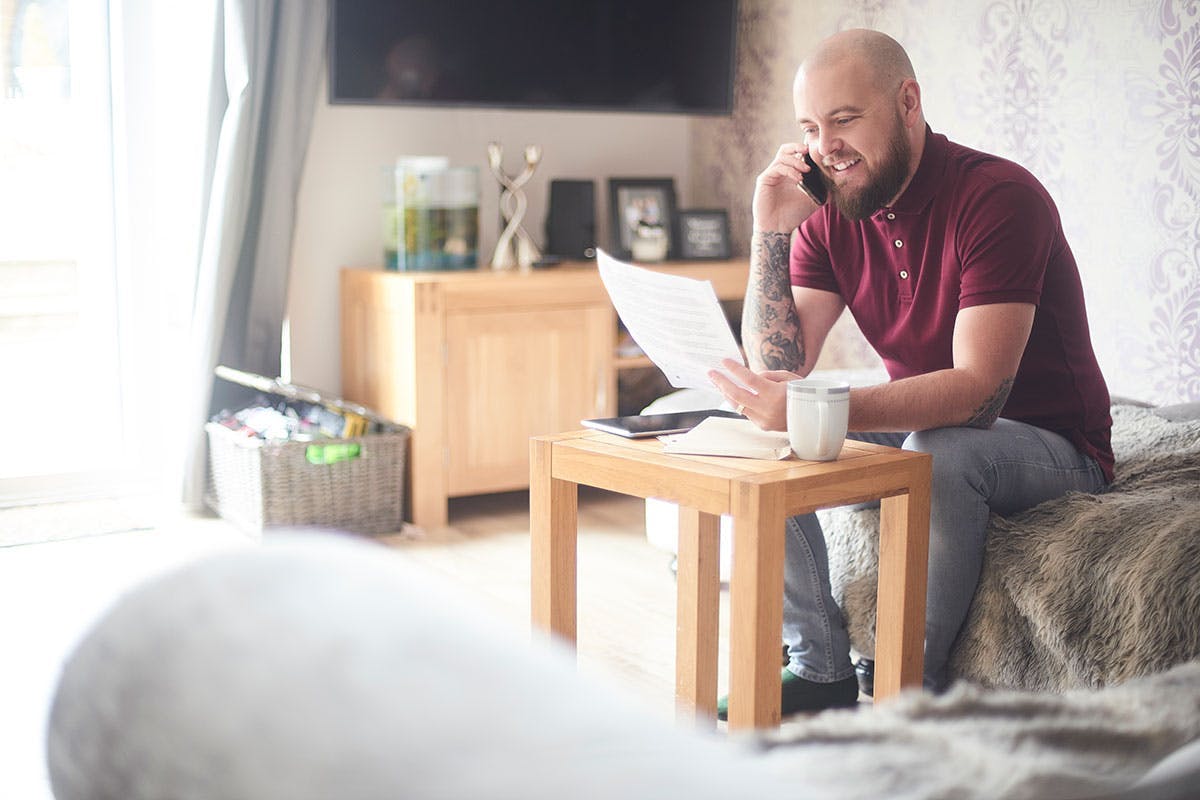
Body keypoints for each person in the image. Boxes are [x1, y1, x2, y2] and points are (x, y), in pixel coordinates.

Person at [707, 29, 1113, 718]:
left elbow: (979, 390)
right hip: (932, 422)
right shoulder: (831, 211)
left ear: (908, 102)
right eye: (810, 127)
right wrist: (770, 230)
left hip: (1054, 444)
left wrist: (822, 408)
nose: (825, 146)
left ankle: (906, 693)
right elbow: (780, 365)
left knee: (940, 454)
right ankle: (821, 665)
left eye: (844, 120)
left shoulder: (999, 197)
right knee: (764, 439)